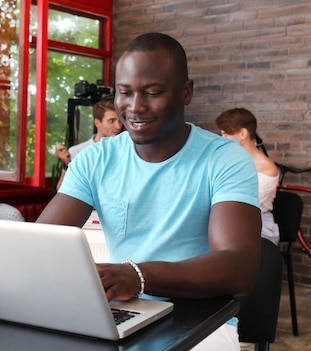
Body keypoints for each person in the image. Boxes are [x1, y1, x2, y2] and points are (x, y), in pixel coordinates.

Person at [36, 33, 261, 350]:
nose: (135, 107)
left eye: (152, 92)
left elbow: (239, 267)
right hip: (120, 310)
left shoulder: (224, 159)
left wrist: (137, 275)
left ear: (186, 92)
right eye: (124, 93)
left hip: (202, 320)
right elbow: (41, 243)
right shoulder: (96, 159)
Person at [216, 108, 280, 246]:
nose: (223, 140)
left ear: (243, 134)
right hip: (230, 219)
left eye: (226, 135)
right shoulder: (229, 160)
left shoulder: (267, 168)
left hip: (257, 226)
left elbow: (245, 205)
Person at [55, 97, 122, 190]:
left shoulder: (126, 150)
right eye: (111, 121)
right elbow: (62, 190)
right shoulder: (78, 151)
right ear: (97, 123)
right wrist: (66, 165)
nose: (118, 126)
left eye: (120, 121)